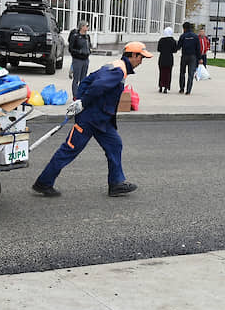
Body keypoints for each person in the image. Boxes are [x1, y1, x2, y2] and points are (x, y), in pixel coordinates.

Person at [32, 41, 152, 197]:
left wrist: (79, 99)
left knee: (115, 145)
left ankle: (116, 184)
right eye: (141, 57)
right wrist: (82, 103)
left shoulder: (113, 65)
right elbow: (97, 86)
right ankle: (44, 183)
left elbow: (88, 80)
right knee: (69, 150)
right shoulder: (118, 71)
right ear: (134, 55)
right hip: (90, 119)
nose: (141, 61)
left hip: (102, 120)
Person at [176, 21, 201, 95]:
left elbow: (178, 46)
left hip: (184, 56)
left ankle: (181, 89)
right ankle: (188, 90)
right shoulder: (195, 37)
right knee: (190, 74)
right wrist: (199, 58)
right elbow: (198, 48)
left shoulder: (183, 36)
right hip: (193, 57)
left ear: (184, 28)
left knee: (182, 73)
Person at [68, 20, 91, 98]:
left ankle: (81, 94)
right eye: (86, 26)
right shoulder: (75, 36)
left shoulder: (87, 37)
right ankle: (75, 95)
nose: (88, 27)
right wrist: (79, 52)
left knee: (84, 79)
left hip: (86, 60)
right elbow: (70, 49)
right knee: (76, 79)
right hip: (77, 60)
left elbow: (89, 46)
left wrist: (88, 51)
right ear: (82, 27)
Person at [156, 27, 177, 94]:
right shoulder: (173, 41)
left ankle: (161, 86)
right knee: (168, 73)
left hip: (162, 58)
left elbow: (158, 49)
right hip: (169, 59)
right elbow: (175, 50)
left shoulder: (161, 40)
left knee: (161, 72)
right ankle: (166, 87)